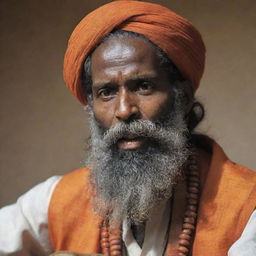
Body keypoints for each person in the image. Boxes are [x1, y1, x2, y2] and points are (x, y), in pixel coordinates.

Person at [0, 1, 255, 256]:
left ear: (183, 96)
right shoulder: (58, 199)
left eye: (143, 86)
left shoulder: (246, 205)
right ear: (90, 105)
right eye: (107, 92)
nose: (124, 110)